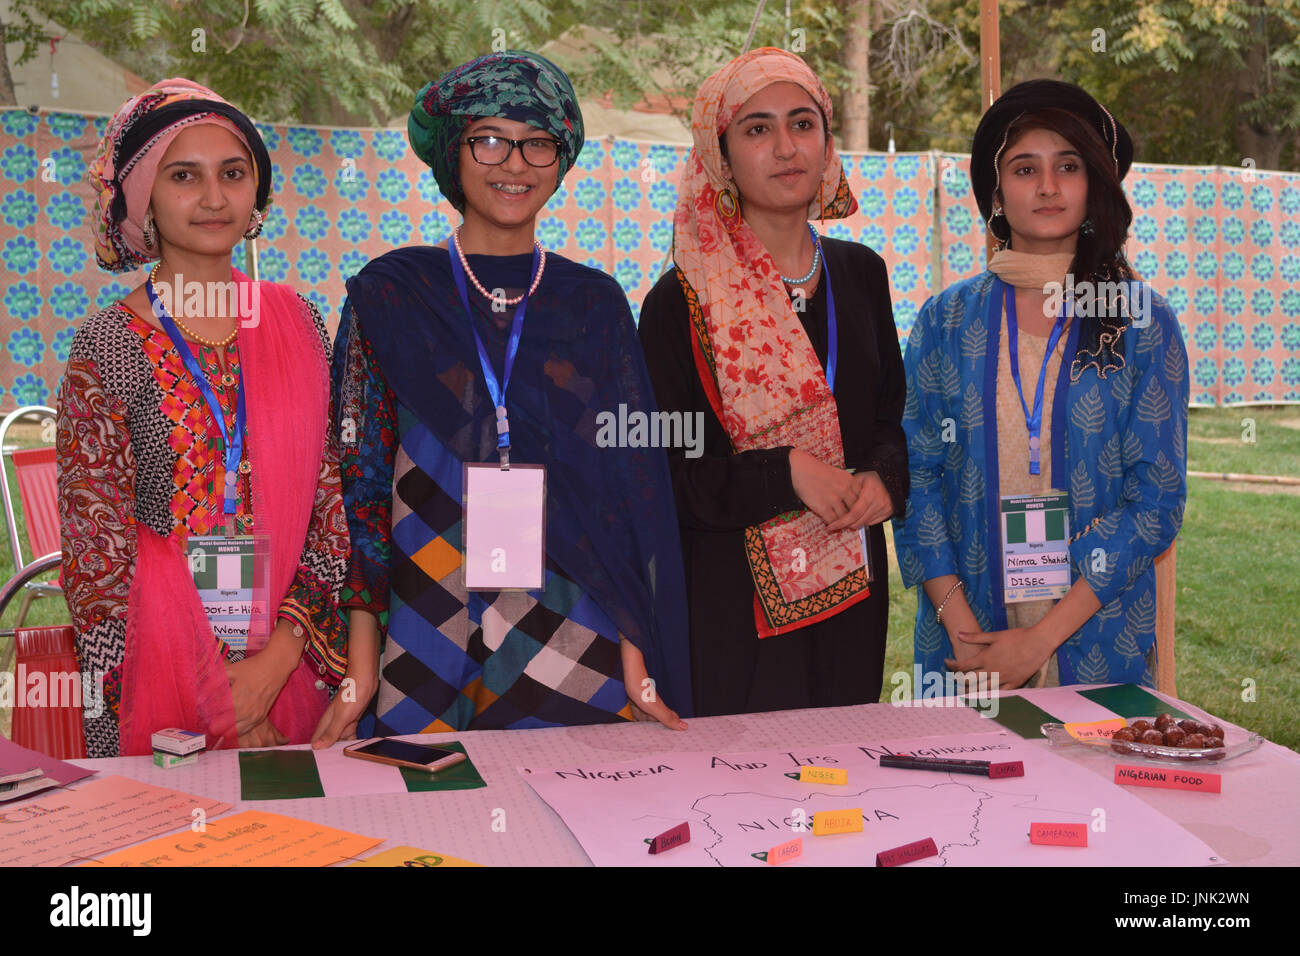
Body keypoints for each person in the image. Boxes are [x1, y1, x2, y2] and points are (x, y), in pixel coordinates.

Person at [333, 51, 691, 734]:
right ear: (453, 153)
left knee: (577, 815)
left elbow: (628, 493)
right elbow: (360, 485)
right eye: (491, 139)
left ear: (562, 159)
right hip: (426, 607)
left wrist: (637, 659)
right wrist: (361, 665)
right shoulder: (392, 294)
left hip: (570, 619)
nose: (515, 163)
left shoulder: (593, 303)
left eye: (538, 143)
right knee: (431, 821)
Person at [61, 78, 361, 757]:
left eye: (233, 173)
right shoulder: (107, 344)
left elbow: (329, 510)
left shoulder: (299, 322)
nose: (215, 198)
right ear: (142, 199)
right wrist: (209, 694)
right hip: (155, 681)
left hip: (291, 672)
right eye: (183, 177)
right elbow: (96, 560)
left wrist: (271, 668)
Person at [637, 48, 909, 717]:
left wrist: (882, 479)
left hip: (850, 587)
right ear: (721, 157)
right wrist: (787, 472)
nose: (786, 147)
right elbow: (669, 476)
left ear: (826, 141)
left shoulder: (860, 275)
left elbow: (886, 422)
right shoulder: (684, 301)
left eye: (803, 123)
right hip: (732, 609)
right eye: (757, 129)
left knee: (845, 785)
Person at [894, 79, 1189, 690]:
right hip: (965, 643)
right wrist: (964, 630)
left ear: (1095, 186)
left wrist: (1038, 642)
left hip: (1098, 638)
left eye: (1069, 166)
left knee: (1095, 786)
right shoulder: (945, 320)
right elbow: (915, 478)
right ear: (996, 191)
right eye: (1026, 168)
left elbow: (1156, 503)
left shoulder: (1138, 319)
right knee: (964, 788)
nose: (1049, 186)